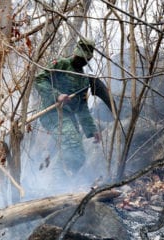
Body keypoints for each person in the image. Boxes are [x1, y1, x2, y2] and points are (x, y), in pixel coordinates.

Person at [34, 38, 102, 180]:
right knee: (71, 142)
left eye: (85, 58)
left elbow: (83, 107)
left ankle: (59, 183)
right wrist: (57, 95)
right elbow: (40, 79)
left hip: (69, 117)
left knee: (78, 154)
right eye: (80, 56)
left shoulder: (83, 79)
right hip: (51, 112)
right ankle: (62, 182)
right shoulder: (61, 64)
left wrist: (92, 130)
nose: (82, 60)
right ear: (75, 53)